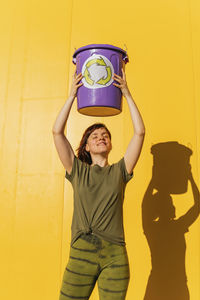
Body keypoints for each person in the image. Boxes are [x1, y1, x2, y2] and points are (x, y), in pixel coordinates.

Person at [52, 67, 145, 300]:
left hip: (115, 255)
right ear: (86, 146)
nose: (101, 137)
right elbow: (56, 132)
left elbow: (140, 133)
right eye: (95, 136)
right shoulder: (77, 171)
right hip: (82, 249)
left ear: (110, 145)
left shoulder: (120, 171)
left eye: (105, 135)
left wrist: (127, 94)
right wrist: (72, 95)